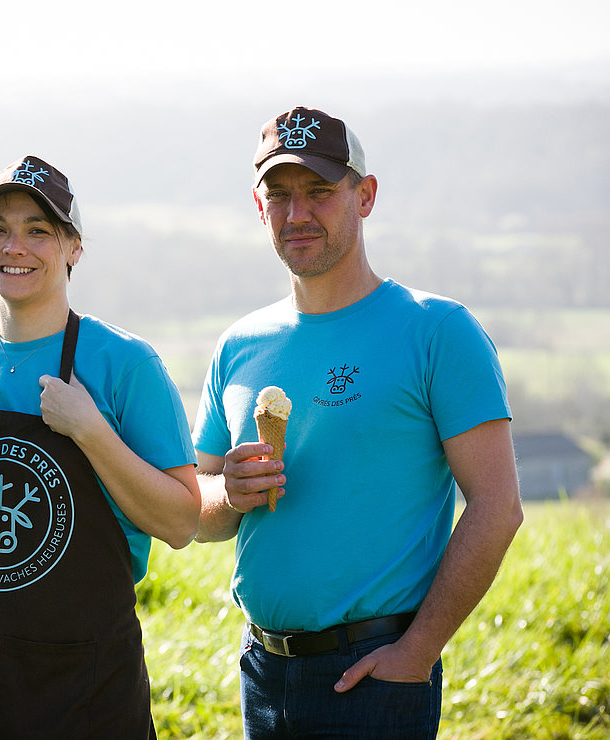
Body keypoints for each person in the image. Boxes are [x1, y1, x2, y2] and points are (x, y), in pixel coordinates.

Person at [193, 107, 524, 738]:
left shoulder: (437, 331)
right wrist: (226, 494)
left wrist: (418, 652)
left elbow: (497, 505)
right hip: (262, 673)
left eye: (320, 192)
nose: (298, 214)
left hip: (375, 675)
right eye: (280, 195)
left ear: (364, 196)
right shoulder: (238, 345)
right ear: (258, 207)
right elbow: (200, 509)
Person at [0, 155, 201, 738]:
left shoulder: (124, 366)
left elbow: (182, 521)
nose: (15, 246)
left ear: (73, 248)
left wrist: (91, 431)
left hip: (87, 686)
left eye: (38, 230)